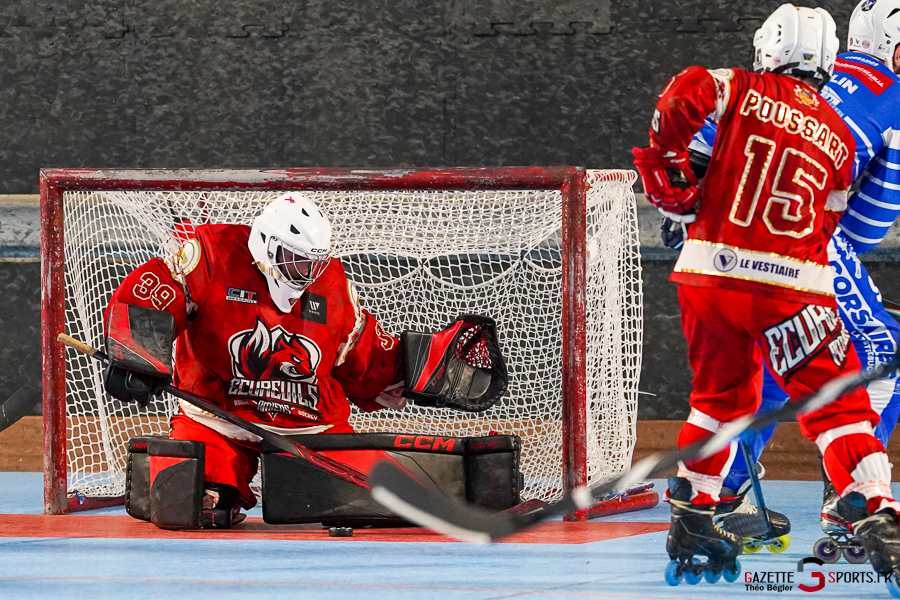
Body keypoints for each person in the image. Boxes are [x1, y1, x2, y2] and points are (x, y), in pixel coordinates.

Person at [633, 3, 900, 583]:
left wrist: (666, 169)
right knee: (852, 384)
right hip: (788, 277)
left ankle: (697, 511)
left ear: (767, 49)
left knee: (719, 398)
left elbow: (685, 96)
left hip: (705, 273)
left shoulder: (737, 88)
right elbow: (848, 223)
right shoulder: (838, 123)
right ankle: (871, 506)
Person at [103, 193, 408, 525]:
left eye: (314, 262)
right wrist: (137, 354)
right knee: (189, 504)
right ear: (266, 244)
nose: (307, 273)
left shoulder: (332, 280)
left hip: (310, 425)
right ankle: (194, 476)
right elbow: (154, 292)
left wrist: (410, 373)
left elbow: (358, 354)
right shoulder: (210, 254)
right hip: (217, 418)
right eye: (296, 259)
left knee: (375, 505)